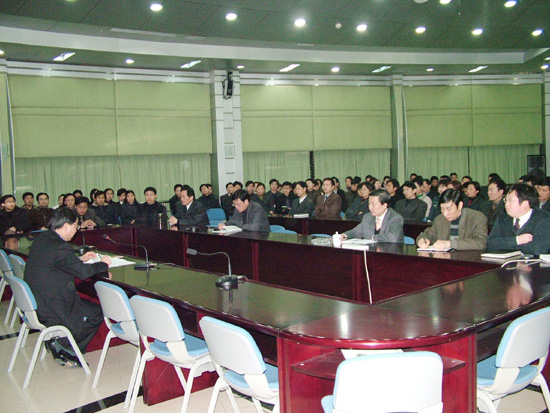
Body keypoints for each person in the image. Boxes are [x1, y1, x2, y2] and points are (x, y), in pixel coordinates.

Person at [24, 208, 111, 366]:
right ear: (66, 226)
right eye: (75, 226)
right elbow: (83, 273)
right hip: (53, 306)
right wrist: (103, 264)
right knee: (97, 312)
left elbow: (57, 262)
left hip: (37, 302)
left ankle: (64, 346)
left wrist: (79, 259)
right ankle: (65, 345)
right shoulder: (61, 246)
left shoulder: (43, 238)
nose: (76, 230)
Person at [487, 183, 550, 255]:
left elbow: (538, 248)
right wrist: (517, 240)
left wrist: (505, 245)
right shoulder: (503, 219)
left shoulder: (543, 218)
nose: (506, 204)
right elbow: (490, 244)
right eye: (505, 200)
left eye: (510, 200)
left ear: (525, 203)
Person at [416, 189, 488, 250]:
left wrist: (450, 243)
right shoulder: (440, 219)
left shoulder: (477, 218)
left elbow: (481, 242)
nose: (445, 213)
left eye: (449, 209)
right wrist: (422, 240)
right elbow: (427, 235)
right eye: (442, 209)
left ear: (460, 205)